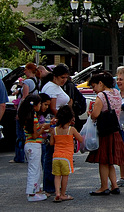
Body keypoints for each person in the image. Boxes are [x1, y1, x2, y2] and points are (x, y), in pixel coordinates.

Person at [86, 72, 124, 196]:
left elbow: (95, 114)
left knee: (103, 160)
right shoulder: (116, 93)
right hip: (114, 129)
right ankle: (114, 185)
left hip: (105, 131)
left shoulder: (101, 95)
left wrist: (90, 114)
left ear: (100, 83)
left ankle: (104, 186)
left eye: (94, 86)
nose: (94, 89)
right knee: (110, 160)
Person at [40, 64, 71, 195]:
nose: (64, 80)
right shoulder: (51, 87)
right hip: (54, 121)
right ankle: (49, 185)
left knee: (53, 153)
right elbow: (52, 107)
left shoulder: (55, 86)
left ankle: (52, 184)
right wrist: (64, 119)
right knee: (50, 154)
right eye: (62, 77)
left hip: (58, 121)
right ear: (55, 76)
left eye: (66, 78)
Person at [49, 105, 83, 202]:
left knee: (57, 175)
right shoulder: (71, 129)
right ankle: (63, 194)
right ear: (70, 118)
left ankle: (57, 193)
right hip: (67, 157)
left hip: (56, 156)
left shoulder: (54, 130)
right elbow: (80, 139)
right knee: (65, 175)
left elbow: (51, 143)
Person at [18, 94, 47, 202]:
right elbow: (35, 135)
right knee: (34, 169)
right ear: (34, 105)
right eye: (39, 104)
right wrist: (42, 129)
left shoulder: (27, 116)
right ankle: (31, 192)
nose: (40, 106)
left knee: (36, 168)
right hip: (33, 145)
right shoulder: (33, 117)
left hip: (30, 145)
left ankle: (36, 189)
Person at [11, 63, 38, 164]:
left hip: (25, 111)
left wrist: (19, 111)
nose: (24, 72)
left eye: (25, 70)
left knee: (20, 135)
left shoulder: (27, 82)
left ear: (29, 70)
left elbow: (24, 97)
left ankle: (19, 157)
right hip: (33, 110)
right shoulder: (37, 81)